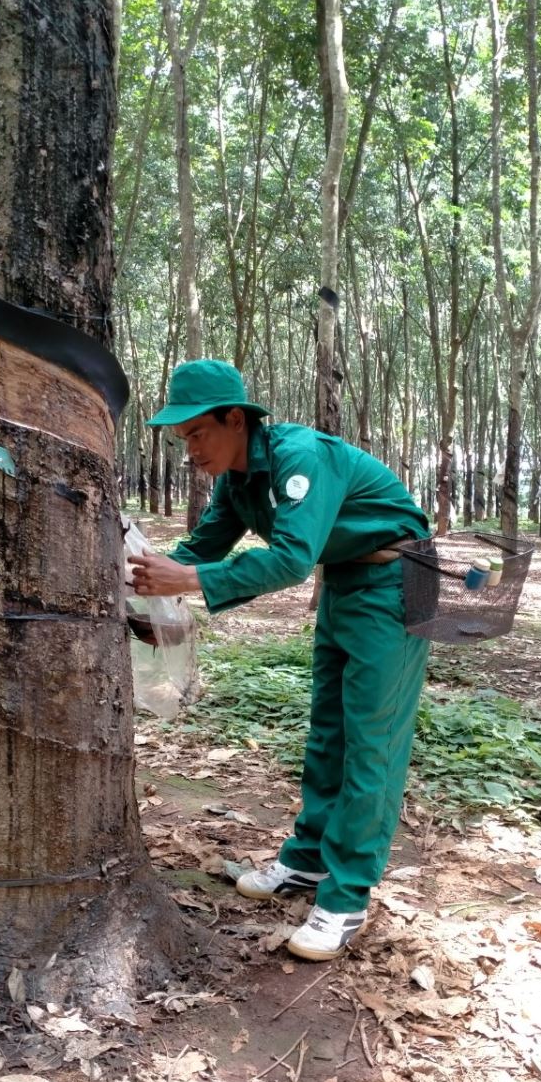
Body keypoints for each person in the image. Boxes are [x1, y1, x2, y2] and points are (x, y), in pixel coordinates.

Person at [129, 359, 431, 962]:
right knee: (328, 735)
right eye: (181, 438)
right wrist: (144, 576)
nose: (189, 450)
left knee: (371, 743)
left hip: (398, 582)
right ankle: (308, 863)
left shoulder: (300, 457)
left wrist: (186, 578)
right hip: (347, 583)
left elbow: (292, 558)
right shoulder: (238, 481)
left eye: (196, 434)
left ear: (234, 418)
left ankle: (347, 896)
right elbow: (201, 547)